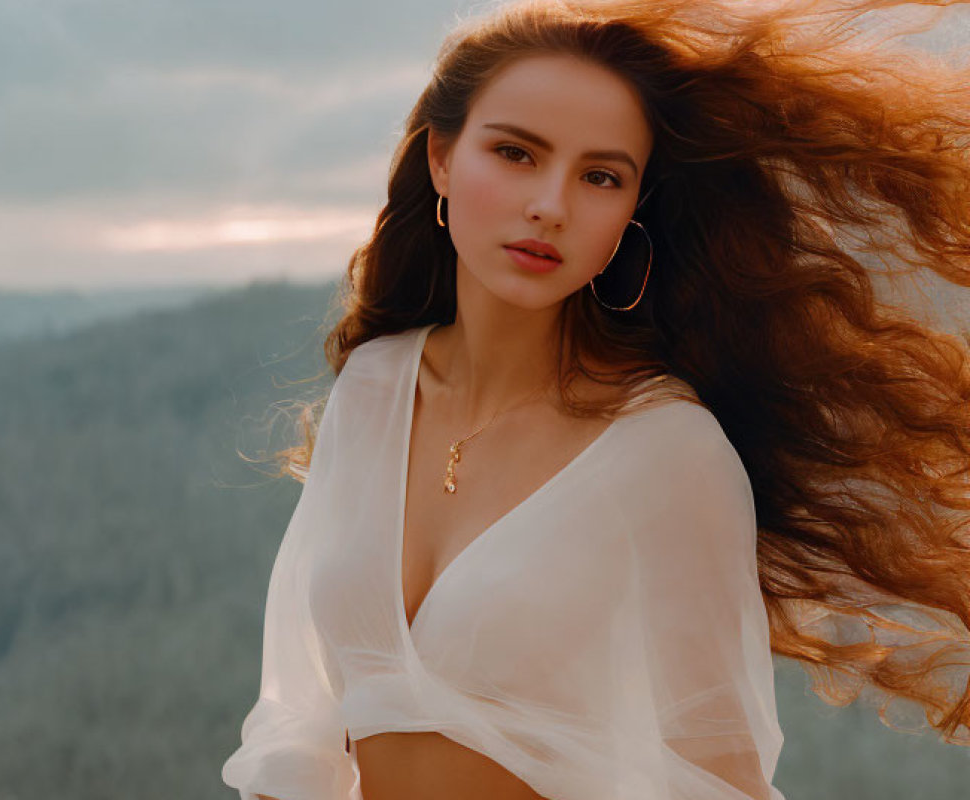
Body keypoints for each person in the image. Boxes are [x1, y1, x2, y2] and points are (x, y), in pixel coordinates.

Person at [221, 0, 970, 798]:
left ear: (629, 214)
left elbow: (718, 776)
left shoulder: (666, 450)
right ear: (441, 157)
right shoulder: (373, 390)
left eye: (600, 176)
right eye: (515, 153)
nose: (551, 203)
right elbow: (299, 725)